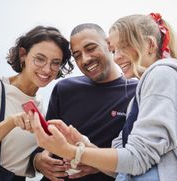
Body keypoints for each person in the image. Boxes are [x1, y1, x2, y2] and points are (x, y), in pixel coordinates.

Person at [30, 12, 177, 181]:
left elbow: (137, 158)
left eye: (123, 47)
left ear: (149, 45)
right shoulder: (138, 99)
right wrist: (83, 144)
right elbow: (124, 167)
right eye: (115, 50)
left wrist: (71, 151)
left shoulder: (162, 75)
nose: (117, 57)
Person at [0, 25, 73, 180]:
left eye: (55, 62)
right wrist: (10, 122)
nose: (47, 69)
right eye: (40, 59)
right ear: (23, 54)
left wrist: (38, 163)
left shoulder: (41, 108)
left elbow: (20, 159)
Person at [30, 23, 138, 181]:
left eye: (90, 48)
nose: (85, 59)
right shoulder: (64, 89)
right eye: (77, 55)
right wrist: (38, 161)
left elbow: (137, 159)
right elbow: (44, 145)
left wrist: (97, 162)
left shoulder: (137, 93)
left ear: (109, 45)